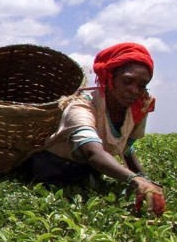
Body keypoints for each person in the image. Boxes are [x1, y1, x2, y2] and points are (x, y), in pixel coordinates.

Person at [19, 42, 165, 215]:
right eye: (127, 81)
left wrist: (146, 180)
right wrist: (134, 179)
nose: (134, 90)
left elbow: (126, 148)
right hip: (52, 170)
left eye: (142, 85)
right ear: (110, 78)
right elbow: (92, 152)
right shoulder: (82, 105)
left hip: (90, 172)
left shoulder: (138, 107)